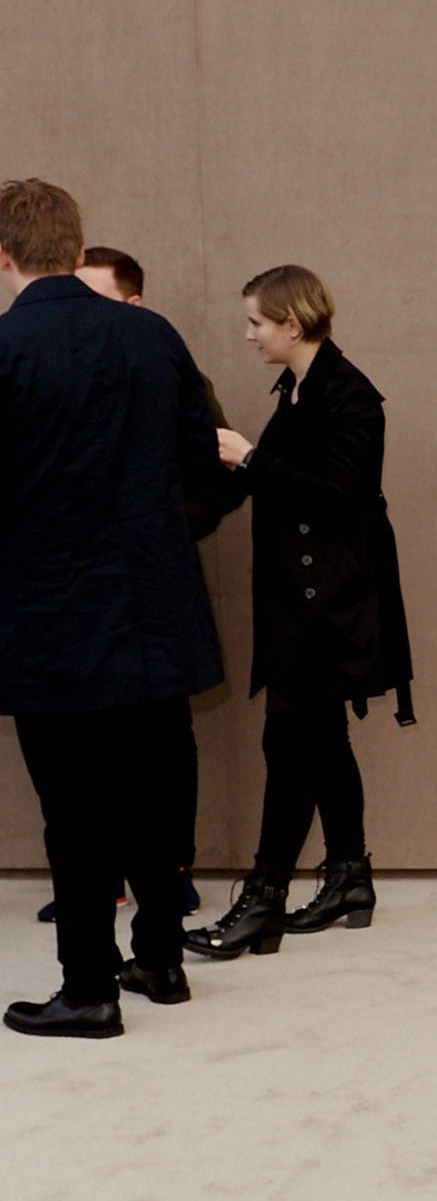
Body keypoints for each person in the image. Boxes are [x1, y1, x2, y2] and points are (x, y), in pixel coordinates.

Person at [0, 178, 225, 1032]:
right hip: (153, 610)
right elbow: (202, 466)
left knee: (74, 811)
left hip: (49, 617)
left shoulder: (5, 349)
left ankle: (89, 987)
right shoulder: (151, 336)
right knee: (152, 798)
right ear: (74, 241)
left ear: (5, 254)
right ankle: (162, 964)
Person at [187, 264, 413, 959]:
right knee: (319, 739)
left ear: (292, 323)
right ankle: (348, 875)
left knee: (292, 743)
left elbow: (337, 496)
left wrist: (251, 459)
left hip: (331, 605)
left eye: (256, 321)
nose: (248, 334)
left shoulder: (350, 397)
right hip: (306, 603)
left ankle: (263, 899)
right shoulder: (302, 389)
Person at [73, 243, 231, 914]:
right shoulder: (59, 365)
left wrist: (162, 526)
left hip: (153, 586)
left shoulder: (166, 363)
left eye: (95, 296)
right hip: (80, 591)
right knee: (84, 744)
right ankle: (100, 879)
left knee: (165, 740)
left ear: (134, 302)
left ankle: (172, 871)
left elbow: (214, 472)